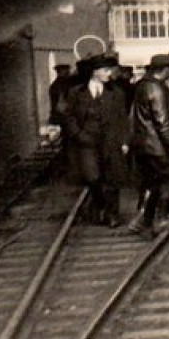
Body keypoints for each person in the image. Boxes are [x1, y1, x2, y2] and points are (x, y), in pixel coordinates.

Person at [60, 53, 130, 227]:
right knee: (93, 177)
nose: (110, 73)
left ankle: (112, 214)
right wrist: (78, 134)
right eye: (106, 70)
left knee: (113, 179)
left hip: (111, 141)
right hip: (86, 143)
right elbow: (68, 117)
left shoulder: (117, 93)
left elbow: (123, 119)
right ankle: (99, 206)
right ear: (95, 72)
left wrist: (125, 141)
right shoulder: (76, 93)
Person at [126, 53, 169, 235]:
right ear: (166, 69)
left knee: (154, 182)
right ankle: (162, 219)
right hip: (157, 146)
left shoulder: (142, 85)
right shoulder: (156, 89)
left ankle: (141, 221)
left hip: (144, 144)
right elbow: (162, 122)